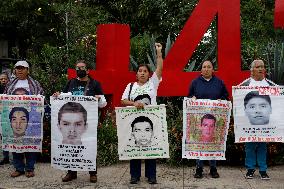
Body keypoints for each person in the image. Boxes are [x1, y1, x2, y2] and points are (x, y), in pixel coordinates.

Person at [54, 60, 107, 183]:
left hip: (88, 122)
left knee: (90, 146)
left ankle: (92, 173)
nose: (80, 70)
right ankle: (71, 173)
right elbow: (64, 97)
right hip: (72, 120)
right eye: (77, 68)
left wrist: (99, 99)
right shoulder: (71, 82)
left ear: (88, 70)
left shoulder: (95, 84)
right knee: (71, 147)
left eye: (82, 67)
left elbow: (104, 104)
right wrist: (58, 95)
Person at [121, 43, 163, 184]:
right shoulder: (130, 86)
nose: (143, 73)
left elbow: (160, 68)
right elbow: (123, 100)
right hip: (135, 122)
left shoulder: (153, 84)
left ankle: (151, 176)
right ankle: (135, 175)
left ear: (148, 74)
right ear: (137, 73)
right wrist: (134, 103)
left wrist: (159, 53)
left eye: (145, 71)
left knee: (151, 147)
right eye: (140, 71)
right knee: (135, 147)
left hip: (151, 121)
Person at [188, 60, 229, 179]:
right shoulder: (195, 82)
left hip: (214, 118)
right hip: (202, 119)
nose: (206, 69)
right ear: (201, 69)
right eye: (204, 67)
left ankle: (213, 168)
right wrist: (192, 98)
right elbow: (189, 96)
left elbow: (225, 96)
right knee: (200, 142)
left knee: (213, 142)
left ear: (212, 69)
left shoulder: (219, 82)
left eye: (209, 67)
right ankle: (199, 168)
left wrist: (222, 99)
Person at [4, 60, 44, 178]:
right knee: (15, 142)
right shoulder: (10, 84)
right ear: (15, 70)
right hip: (14, 118)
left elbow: (41, 98)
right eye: (17, 68)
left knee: (30, 143)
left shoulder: (35, 84)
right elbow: (5, 99)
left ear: (28, 70)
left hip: (30, 119)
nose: (19, 70)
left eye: (22, 68)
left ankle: (30, 168)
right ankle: (19, 168)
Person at [238, 59, 276, 180]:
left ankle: (263, 170)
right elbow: (237, 100)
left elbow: (278, 102)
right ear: (252, 70)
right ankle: (250, 169)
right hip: (249, 123)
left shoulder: (271, 85)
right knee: (249, 146)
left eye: (262, 67)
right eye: (258, 67)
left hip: (265, 123)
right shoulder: (245, 84)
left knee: (262, 146)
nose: (260, 69)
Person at [0, 72, 10, 165]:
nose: (3, 80)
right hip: (1, 116)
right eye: (1, 79)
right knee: (3, 137)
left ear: (8, 79)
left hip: (10, 116)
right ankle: (6, 157)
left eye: (5, 79)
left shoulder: (11, 89)